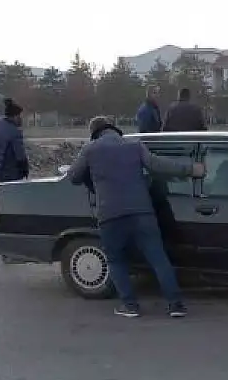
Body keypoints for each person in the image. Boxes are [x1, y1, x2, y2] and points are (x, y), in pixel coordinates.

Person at [64, 116, 206, 318]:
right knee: (158, 257)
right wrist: (191, 169)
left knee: (116, 260)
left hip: (110, 215)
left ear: (94, 133)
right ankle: (175, 305)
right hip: (142, 212)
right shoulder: (134, 146)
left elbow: (73, 177)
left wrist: (93, 178)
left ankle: (130, 306)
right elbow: (157, 165)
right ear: (114, 129)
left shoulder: (90, 150)